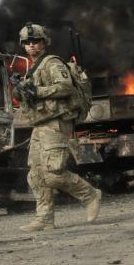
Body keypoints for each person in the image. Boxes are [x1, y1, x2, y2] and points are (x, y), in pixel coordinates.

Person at [15, 22, 101, 232]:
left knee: (53, 173)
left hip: (56, 122)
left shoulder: (52, 62)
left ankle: (90, 194)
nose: (31, 46)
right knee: (35, 174)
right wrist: (22, 92)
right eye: (27, 42)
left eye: (36, 41)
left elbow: (65, 87)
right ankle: (44, 218)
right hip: (40, 124)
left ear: (44, 43)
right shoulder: (31, 69)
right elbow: (29, 97)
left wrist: (37, 91)